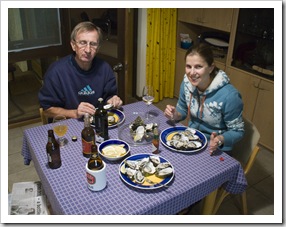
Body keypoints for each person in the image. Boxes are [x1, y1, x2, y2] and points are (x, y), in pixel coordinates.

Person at [164, 43, 244, 154]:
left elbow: (237, 131)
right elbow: (182, 109)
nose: (191, 73)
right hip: (191, 137)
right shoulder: (187, 84)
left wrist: (219, 139)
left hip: (216, 147)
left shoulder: (230, 96)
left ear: (211, 68)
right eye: (188, 66)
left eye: (198, 67)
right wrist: (175, 114)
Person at [39, 21, 123, 123]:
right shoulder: (56, 71)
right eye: (82, 43)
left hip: (98, 122)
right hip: (68, 123)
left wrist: (113, 100)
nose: (88, 50)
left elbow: (109, 97)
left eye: (93, 44)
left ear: (98, 48)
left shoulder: (105, 68)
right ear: (73, 45)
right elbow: (47, 110)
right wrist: (75, 113)